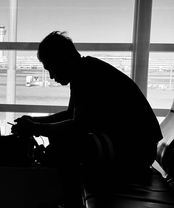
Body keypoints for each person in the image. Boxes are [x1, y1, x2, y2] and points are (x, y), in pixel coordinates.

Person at [12, 31, 163, 173]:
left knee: (61, 149)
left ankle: (67, 199)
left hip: (136, 151)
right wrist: (34, 122)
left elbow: (77, 126)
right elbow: (71, 115)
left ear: (62, 60)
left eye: (51, 68)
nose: (51, 76)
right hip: (139, 146)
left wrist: (36, 127)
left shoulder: (87, 76)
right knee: (60, 146)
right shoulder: (86, 70)